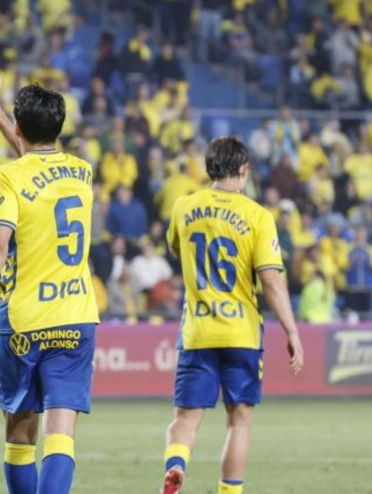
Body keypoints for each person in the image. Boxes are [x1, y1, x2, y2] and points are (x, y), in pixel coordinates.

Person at [0, 82, 99, 494]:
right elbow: (39, 161)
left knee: (20, 434)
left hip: (23, 318)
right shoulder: (82, 172)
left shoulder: (7, 175)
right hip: (76, 317)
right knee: (61, 433)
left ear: (19, 126)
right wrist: (2, 118)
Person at [160, 137, 305, 494]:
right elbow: (271, 278)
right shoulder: (258, 216)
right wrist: (291, 331)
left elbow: (178, 250)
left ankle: (176, 464)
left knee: (186, 419)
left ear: (209, 169)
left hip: (198, 330)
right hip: (241, 333)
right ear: (244, 170)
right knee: (238, 422)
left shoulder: (183, 206)